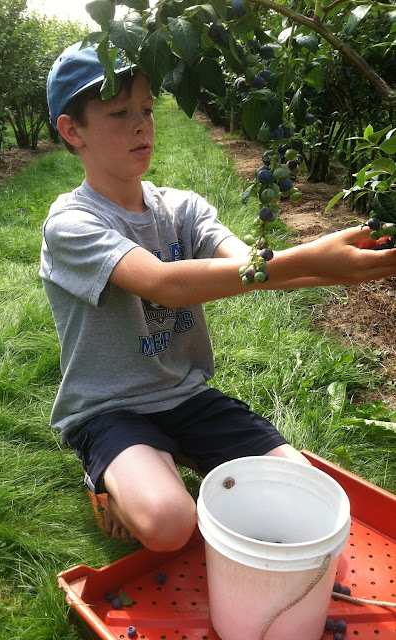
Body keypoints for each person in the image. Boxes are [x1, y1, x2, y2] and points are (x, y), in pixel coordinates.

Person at [41, 43, 396, 552]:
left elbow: (253, 269)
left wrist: (336, 269)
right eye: (119, 113)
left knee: (298, 492)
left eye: (147, 109)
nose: (142, 126)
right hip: (110, 409)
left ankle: (169, 454)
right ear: (72, 130)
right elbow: (164, 284)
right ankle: (110, 479)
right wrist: (313, 258)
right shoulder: (71, 224)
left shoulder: (182, 208)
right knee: (170, 524)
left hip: (188, 397)